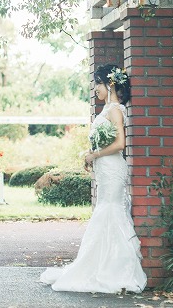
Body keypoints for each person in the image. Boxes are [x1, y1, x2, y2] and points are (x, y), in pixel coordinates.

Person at [39, 64, 147, 294]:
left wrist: (94, 154)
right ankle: (101, 264)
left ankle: (115, 269)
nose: (95, 89)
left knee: (110, 210)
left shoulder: (115, 109)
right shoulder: (107, 108)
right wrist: (91, 157)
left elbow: (120, 144)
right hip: (105, 169)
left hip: (113, 168)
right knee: (104, 211)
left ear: (110, 84)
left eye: (97, 84)